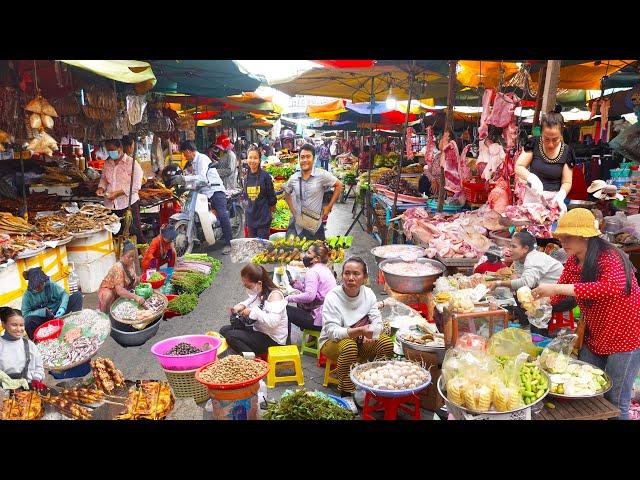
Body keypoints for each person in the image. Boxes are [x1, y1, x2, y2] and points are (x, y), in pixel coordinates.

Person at [532, 208, 640, 420]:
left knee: (616, 401)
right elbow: (560, 292)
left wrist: (555, 289)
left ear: (586, 236)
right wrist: (542, 301)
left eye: (569, 237)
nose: (563, 241)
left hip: (625, 334)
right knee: (588, 393)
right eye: (561, 237)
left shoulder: (609, 257)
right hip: (594, 331)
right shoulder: (573, 261)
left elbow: (612, 287)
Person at [319, 257, 394, 396]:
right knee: (349, 346)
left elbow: (377, 321)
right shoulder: (333, 297)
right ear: (342, 276)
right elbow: (332, 332)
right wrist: (360, 331)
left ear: (364, 277)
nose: (351, 278)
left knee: (386, 343)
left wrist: (373, 333)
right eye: (347, 273)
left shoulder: (368, 294)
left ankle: (374, 384)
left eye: (356, 274)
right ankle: (346, 392)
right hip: (332, 343)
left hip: (360, 340)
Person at [486, 230, 563, 334]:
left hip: (561, 296)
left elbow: (526, 283)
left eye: (514, 246)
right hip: (543, 291)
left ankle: (538, 336)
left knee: (526, 295)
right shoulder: (519, 259)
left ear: (525, 249)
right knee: (519, 292)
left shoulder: (533, 258)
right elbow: (518, 279)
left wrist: (499, 283)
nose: (510, 249)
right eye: (510, 246)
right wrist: (513, 279)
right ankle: (526, 323)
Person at [515, 105, 575, 214]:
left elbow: (567, 181)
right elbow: (519, 166)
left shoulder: (567, 152)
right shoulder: (533, 144)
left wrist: (561, 195)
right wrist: (531, 177)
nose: (551, 144)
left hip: (554, 202)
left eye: (555, 139)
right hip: (532, 201)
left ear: (561, 134)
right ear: (541, 133)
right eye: (546, 139)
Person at [220, 264, 288, 355]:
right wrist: (241, 305)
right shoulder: (261, 291)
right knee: (224, 330)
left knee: (231, 336)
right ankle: (244, 354)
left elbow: (273, 322)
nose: (248, 289)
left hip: (273, 340)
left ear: (259, 283)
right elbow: (251, 299)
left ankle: (251, 359)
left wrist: (252, 312)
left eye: (248, 286)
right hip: (260, 332)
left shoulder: (275, 296)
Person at [179, 141, 233, 255]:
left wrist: (185, 179)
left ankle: (230, 243)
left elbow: (202, 178)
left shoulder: (202, 159)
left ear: (188, 151)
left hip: (215, 190)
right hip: (203, 192)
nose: (184, 156)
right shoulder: (193, 162)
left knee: (222, 214)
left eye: (184, 153)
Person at [283, 144, 343, 241]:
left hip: (315, 225)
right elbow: (287, 192)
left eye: (308, 156)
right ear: (299, 159)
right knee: (296, 253)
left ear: (314, 158)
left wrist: (329, 206)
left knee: (317, 253)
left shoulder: (322, 175)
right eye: (302, 157)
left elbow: (338, 185)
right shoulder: (293, 178)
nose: (305, 160)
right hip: (298, 224)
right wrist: (292, 210)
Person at [286, 243, 337, 340]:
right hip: (330, 316)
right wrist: (300, 287)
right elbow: (317, 292)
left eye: (308, 253)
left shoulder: (312, 272)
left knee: (284, 309)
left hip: (320, 319)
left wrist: (288, 298)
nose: (305, 255)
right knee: (299, 303)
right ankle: (312, 337)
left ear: (316, 258)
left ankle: (285, 344)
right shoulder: (324, 268)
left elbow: (310, 296)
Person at [96, 138, 144, 241]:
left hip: (128, 204)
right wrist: (101, 188)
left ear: (120, 148)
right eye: (108, 150)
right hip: (110, 205)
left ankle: (139, 254)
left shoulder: (132, 163)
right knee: (114, 235)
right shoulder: (107, 163)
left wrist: (118, 193)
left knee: (134, 234)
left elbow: (136, 185)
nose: (110, 152)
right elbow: (104, 179)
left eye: (112, 149)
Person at [21, 267, 83, 340]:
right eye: (37, 286)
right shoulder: (27, 295)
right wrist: (42, 312)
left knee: (77, 296)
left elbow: (64, 294)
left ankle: (75, 325)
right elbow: (25, 314)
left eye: (42, 284)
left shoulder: (50, 285)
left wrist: (62, 308)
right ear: (32, 286)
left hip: (59, 314)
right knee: (28, 321)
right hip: (44, 320)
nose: (40, 287)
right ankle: (36, 342)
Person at [0, 308, 45, 390]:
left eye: (21, 325)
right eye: (14, 325)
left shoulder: (29, 345)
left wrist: (36, 379)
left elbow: (39, 366)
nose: (19, 329)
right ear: (3, 324)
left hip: (28, 391)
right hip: (3, 392)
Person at [97, 241, 144, 313]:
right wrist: (136, 297)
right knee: (108, 295)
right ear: (122, 256)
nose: (131, 259)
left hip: (122, 289)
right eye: (129, 257)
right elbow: (120, 290)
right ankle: (106, 314)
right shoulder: (117, 268)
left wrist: (138, 279)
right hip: (110, 291)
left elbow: (133, 277)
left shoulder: (130, 263)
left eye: (133, 256)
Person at [243, 146, 277, 239]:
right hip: (251, 220)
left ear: (259, 160)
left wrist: (271, 212)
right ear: (247, 159)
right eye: (250, 157)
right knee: (253, 247)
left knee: (263, 249)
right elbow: (246, 199)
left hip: (263, 220)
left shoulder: (265, 176)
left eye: (255, 158)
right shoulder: (246, 178)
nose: (252, 160)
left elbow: (272, 198)